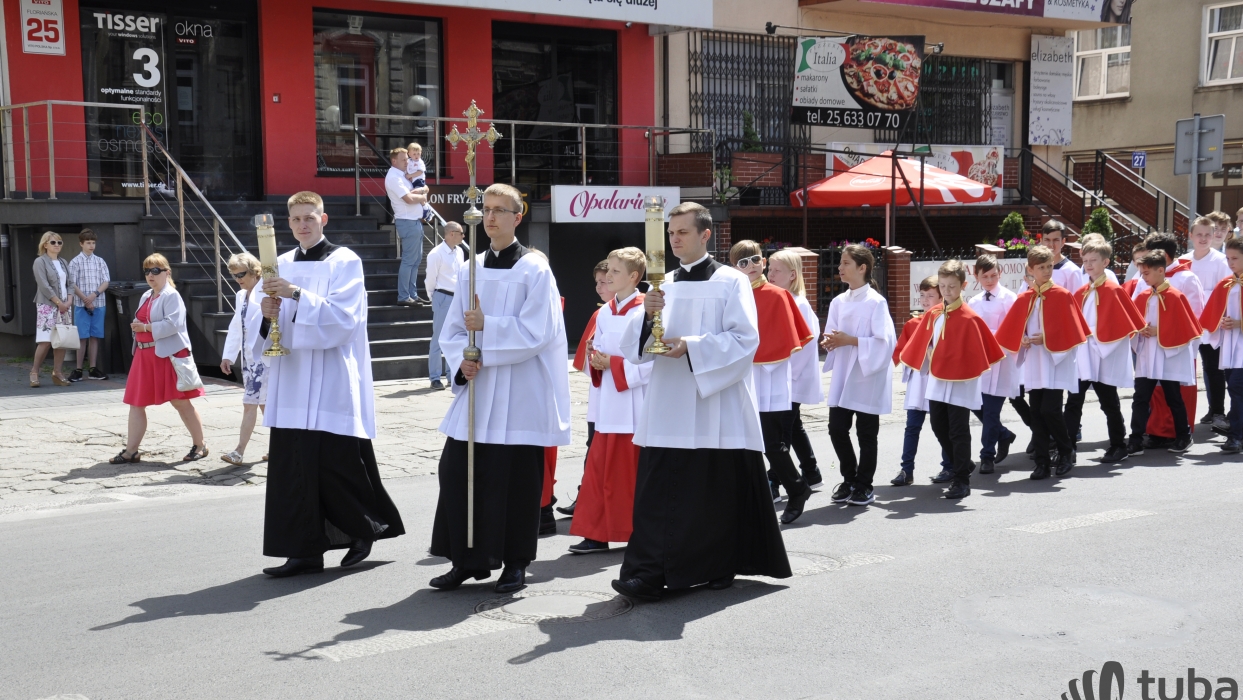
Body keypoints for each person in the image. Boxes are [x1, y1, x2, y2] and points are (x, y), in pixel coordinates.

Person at [611, 202, 791, 602]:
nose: (674, 239)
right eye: (671, 233)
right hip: (668, 403)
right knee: (659, 494)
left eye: (683, 232)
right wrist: (647, 316)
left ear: (705, 234)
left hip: (715, 405)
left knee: (712, 495)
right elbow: (635, 349)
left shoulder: (732, 281)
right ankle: (646, 574)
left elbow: (745, 340)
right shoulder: (663, 284)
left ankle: (715, 566)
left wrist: (691, 346)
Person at [429, 183, 571, 594]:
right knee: (458, 474)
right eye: (486, 209)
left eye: (499, 210)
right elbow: (452, 330)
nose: (490, 217)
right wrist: (462, 361)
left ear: (517, 217)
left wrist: (486, 332)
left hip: (519, 393)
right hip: (478, 389)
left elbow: (539, 331)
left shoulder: (535, 269)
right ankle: (466, 560)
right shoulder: (469, 266)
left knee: (515, 483)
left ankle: (515, 563)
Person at [258, 191, 406, 577]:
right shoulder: (279, 264)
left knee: (337, 465)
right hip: (293, 378)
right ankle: (303, 552)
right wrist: (266, 313)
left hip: (332, 376)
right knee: (294, 468)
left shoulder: (345, 261)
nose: (302, 224)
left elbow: (346, 319)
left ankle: (363, 530)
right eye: (296, 219)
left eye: (309, 217)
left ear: (323, 220)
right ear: (288, 223)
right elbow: (265, 327)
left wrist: (295, 293)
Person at [899, 260, 1005, 499]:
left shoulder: (969, 317)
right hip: (938, 377)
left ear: (963, 286)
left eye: (952, 286)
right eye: (943, 286)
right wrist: (927, 353)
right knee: (938, 425)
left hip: (961, 381)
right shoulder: (933, 313)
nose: (947, 291)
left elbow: (978, 350)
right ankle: (963, 463)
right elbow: (922, 343)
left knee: (958, 429)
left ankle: (961, 481)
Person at [568, 248, 650, 554]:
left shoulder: (647, 311)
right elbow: (595, 351)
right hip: (606, 402)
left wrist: (612, 365)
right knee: (599, 469)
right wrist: (596, 360)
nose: (608, 276)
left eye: (615, 272)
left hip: (634, 404)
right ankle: (596, 533)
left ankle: (633, 532)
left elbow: (652, 361)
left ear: (633, 277)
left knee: (627, 474)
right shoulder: (604, 312)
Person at [730, 240, 814, 523]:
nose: (751, 266)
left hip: (770, 379)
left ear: (763, 262)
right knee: (743, 442)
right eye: (743, 263)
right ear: (735, 268)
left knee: (772, 443)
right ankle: (753, 495)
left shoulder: (779, 295)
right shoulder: (733, 295)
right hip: (741, 378)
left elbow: (789, 341)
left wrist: (759, 356)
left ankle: (797, 488)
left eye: (755, 260)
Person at [995, 245, 1091, 480]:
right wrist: (1022, 339)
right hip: (1035, 362)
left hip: (1055, 362)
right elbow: (1013, 330)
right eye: (1041, 267)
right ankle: (1042, 462)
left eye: (1049, 266)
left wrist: (1047, 338)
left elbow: (1073, 331)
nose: (1047, 271)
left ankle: (1066, 452)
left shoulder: (1062, 295)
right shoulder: (1025, 297)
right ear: (1030, 270)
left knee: (1050, 410)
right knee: (1037, 412)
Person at [111, 254, 208, 464]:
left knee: (180, 402)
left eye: (155, 270)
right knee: (136, 403)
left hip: (166, 356)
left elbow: (174, 324)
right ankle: (131, 451)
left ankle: (200, 445)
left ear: (167, 272)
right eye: (147, 271)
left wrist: (145, 327)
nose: (150, 275)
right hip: (144, 355)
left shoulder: (171, 295)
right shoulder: (147, 295)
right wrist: (140, 328)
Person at [823, 245, 896, 507]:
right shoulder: (838, 301)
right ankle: (849, 478)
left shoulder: (876, 302)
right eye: (840, 263)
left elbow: (885, 343)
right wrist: (829, 341)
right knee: (836, 429)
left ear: (862, 267)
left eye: (846, 263)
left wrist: (851, 340)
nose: (840, 268)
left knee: (866, 434)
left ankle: (864, 485)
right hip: (844, 373)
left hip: (867, 376)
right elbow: (832, 332)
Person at [1063, 236, 1146, 464]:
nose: (1088, 265)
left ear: (1105, 262)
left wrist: (1096, 338)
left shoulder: (1113, 290)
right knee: (1073, 401)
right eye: (1085, 260)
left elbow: (1123, 325)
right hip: (1084, 355)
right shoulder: (1081, 291)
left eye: (1093, 260)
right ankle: (1067, 449)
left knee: (1109, 402)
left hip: (1103, 355)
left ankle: (1118, 446)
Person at [1130, 232, 1206, 448]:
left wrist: (1160, 331)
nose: (1143, 277)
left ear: (1161, 267)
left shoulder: (1178, 291)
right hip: (1147, 353)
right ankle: (1137, 439)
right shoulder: (1144, 291)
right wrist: (1140, 330)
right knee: (1141, 398)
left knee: (1173, 397)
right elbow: (1133, 319)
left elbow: (1190, 324)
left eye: (1146, 273)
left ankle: (1183, 435)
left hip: (1170, 353)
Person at [559, 260, 614, 518]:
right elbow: (583, 361)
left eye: (605, 281)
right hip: (600, 392)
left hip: (622, 393)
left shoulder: (637, 311)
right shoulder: (600, 314)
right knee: (593, 447)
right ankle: (586, 497)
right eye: (597, 282)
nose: (599, 287)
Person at [767, 249, 823, 490]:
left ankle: (775, 479)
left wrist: (787, 375)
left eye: (776, 270)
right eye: (769, 269)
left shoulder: (798, 304)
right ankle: (811, 471)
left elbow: (805, 345)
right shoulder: (780, 299)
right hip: (782, 375)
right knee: (794, 425)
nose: (770, 274)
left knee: (782, 431)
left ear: (792, 275)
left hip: (790, 377)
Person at [890, 276, 951, 486]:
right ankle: (906, 470)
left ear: (941, 297)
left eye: (930, 296)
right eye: (922, 295)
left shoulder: (946, 321)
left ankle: (949, 466)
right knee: (912, 427)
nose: (925, 300)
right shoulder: (913, 323)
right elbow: (900, 352)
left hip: (939, 381)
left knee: (943, 427)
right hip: (918, 382)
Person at [967, 254, 1020, 475]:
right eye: (985, 276)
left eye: (993, 275)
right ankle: (1003, 434)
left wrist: (988, 335)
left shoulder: (1009, 298)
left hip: (1001, 361)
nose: (989, 280)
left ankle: (986, 456)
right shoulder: (974, 302)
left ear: (1000, 273)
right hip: (981, 364)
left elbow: (1014, 329)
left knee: (990, 411)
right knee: (976, 405)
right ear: (976, 276)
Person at [1181, 217, 1233, 431]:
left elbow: (1226, 290)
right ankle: (1184, 412)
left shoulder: (1221, 261)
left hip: (1211, 320)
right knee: (1187, 367)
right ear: (1190, 236)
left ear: (1213, 236)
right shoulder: (1183, 260)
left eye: (1207, 235)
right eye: (1199, 234)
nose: (1203, 239)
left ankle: (1217, 410)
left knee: (1212, 367)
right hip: (1188, 320)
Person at [219, 253, 268, 466]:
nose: (238, 278)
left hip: (265, 360)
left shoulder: (267, 290)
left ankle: (239, 451)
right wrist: (228, 356)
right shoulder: (241, 296)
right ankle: (280, 447)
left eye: (241, 274)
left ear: (254, 272)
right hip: (249, 360)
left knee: (251, 404)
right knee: (264, 406)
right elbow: (236, 327)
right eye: (234, 275)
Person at [1201, 236, 1243, 453]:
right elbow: (1212, 314)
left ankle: (1236, 435)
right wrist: (1221, 322)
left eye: (1235, 258)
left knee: (1236, 387)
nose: (1230, 262)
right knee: (1234, 387)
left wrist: (1238, 323)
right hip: (1230, 345)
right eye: (1228, 258)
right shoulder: (1226, 283)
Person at [424, 221, 468, 390]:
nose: (463, 236)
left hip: (457, 297)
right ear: (451, 234)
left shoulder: (459, 252)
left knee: (454, 336)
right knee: (438, 338)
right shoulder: (436, 254)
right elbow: (430, 278)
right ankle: (435, 377)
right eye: (461, 233)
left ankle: (452, 375)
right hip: (442, 295)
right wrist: (433, 297)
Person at [385, 147, 430, 307]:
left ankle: (412, 294)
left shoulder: (402, 174)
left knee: (416, 260)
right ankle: (404, 296)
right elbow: (409, 199)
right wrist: (423, 197)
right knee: (409, 260)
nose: (407, 162)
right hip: (407, 221)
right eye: (404, 159)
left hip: (413, 221)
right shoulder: (394, 177)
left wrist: (423, 191)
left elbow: (423, 186)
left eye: (407, 159)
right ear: (394, 161)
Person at [30, 231, 76, 388]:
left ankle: (57, 372)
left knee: (61, 340)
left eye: (59, 242)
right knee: (45, 341)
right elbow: (43, 285)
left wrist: (69, 300)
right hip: (47, 306)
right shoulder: (40, 262)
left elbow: (70, 283)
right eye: (53, 242)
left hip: (65, 306)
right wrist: (58, 302)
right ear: (45, 245)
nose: (57, 245)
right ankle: (34, 372)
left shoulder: (63, 262)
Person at [68, 228, 110, 382]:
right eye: (88, 243)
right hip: (81, 305)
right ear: (81, 244)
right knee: (82, 337)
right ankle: (78, 369)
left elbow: (106, 281)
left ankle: (92, 368)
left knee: (95, 336)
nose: (91, 246)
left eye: (93, 243)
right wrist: (85, 299)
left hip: (99, 303)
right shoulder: (75, 262)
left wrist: (94, 295)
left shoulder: (100, 261)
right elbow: (72, 283)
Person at [1043, 220, 1085, 292]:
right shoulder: (1035, 269)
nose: (1051, 244)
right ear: (1041, 241)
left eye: (1055, 240)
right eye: (1047, 240)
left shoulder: (1072, 271)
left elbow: (1077, 298)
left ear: (1063, 242)